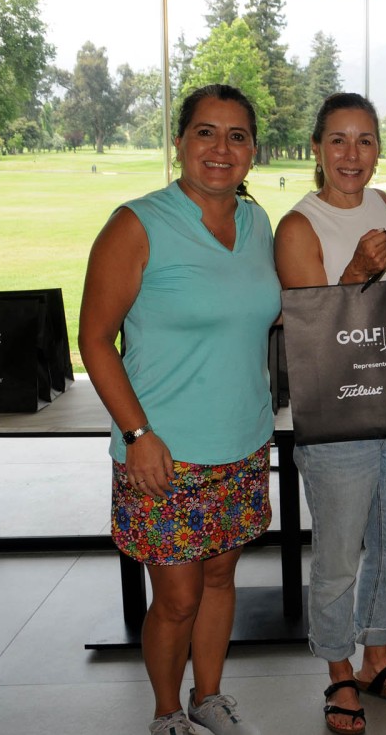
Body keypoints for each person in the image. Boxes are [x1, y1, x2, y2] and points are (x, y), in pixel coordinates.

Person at [79, 84, 279, 735]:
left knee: (221, 578)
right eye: (206, 132)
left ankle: (209, 696)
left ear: (252, 149)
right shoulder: (137, 223)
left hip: (243, 442)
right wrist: (137, 433)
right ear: (180, 141)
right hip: (164, 450)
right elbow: (93, 339)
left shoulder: (257, 224)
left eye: (237, 136)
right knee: (177, 597)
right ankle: (167, 711)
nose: (221, 149)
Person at [274, 93, 386, 735]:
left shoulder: (384, 206)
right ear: (317, 148)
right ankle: (338, 668)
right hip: (338, 413)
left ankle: (375, 658)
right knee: (339, 553)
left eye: (365, 140)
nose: (352, 154)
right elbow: (311, 334)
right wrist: (354, 272)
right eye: (338, 140)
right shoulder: (298, 226)